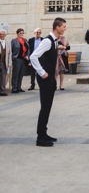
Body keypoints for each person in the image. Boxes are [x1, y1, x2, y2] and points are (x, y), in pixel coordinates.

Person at [29, 17, 67, 147]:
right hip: (45, 77)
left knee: (48, 106)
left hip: (50, 77)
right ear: (57, 27)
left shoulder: (54, 41)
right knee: (45, 107)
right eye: (63, 26)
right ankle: (40, 138)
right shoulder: (47, 41)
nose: (65, 28)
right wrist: (42, 72)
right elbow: (33, 56)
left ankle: (44, 133)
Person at [11, 28, 28, 93]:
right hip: (17, 58)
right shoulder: (14, 41)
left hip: (23, 59)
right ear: (17, 34)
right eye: (20, 33)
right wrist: (12, 57)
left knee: (21, 74)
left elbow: (28, 48)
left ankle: (19, 87)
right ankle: (14, 88)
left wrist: (27, 55)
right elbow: (11, 49)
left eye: (22, 33)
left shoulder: (25, 40)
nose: (21, 34)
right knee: (16, 74)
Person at [0, 29, 11, 96]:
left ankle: (2, 91)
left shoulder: (8, 42)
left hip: (4, 62)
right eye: (0, 34)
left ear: (5, 35)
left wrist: (9, 64)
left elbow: (10, 54)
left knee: (3, 77)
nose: (1, 35)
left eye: (3, 34)